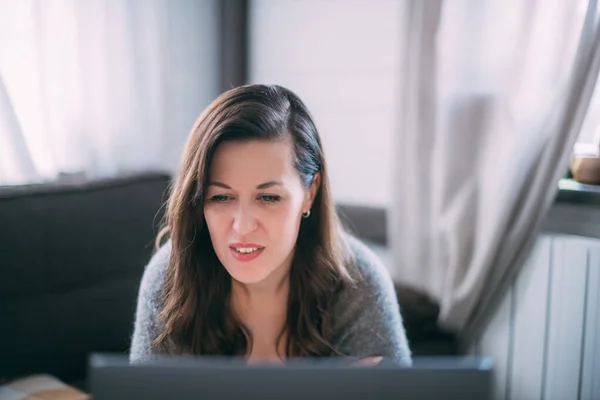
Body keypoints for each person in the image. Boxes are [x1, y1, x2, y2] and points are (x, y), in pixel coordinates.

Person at [129, 84, 411, 366]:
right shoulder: (169, 278)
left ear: (310, 193)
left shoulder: (358, 279)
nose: (242, 227)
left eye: (268, 197)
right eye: (221, 197)